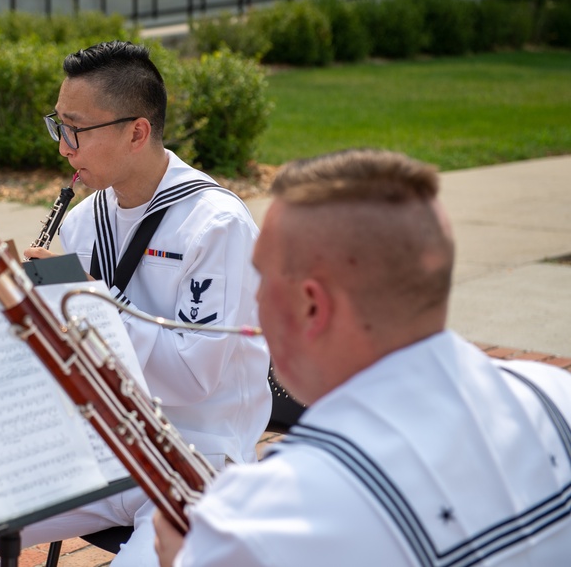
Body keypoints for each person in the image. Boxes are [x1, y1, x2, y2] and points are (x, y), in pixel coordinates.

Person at [153, 148, 571, 566]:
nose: (255, 297)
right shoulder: (556, 394)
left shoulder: (268, 514)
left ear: (311, 306)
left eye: (260, 277)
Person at [0, 39, 269, 565]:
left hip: (196, 455)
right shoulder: (84, 219)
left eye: (76, 130)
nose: (63, 148)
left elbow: (193, 381)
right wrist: (31, 307)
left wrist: (88, 300)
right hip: (101, 442)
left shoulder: (215, 225)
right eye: (58, 126)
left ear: (137, 132)